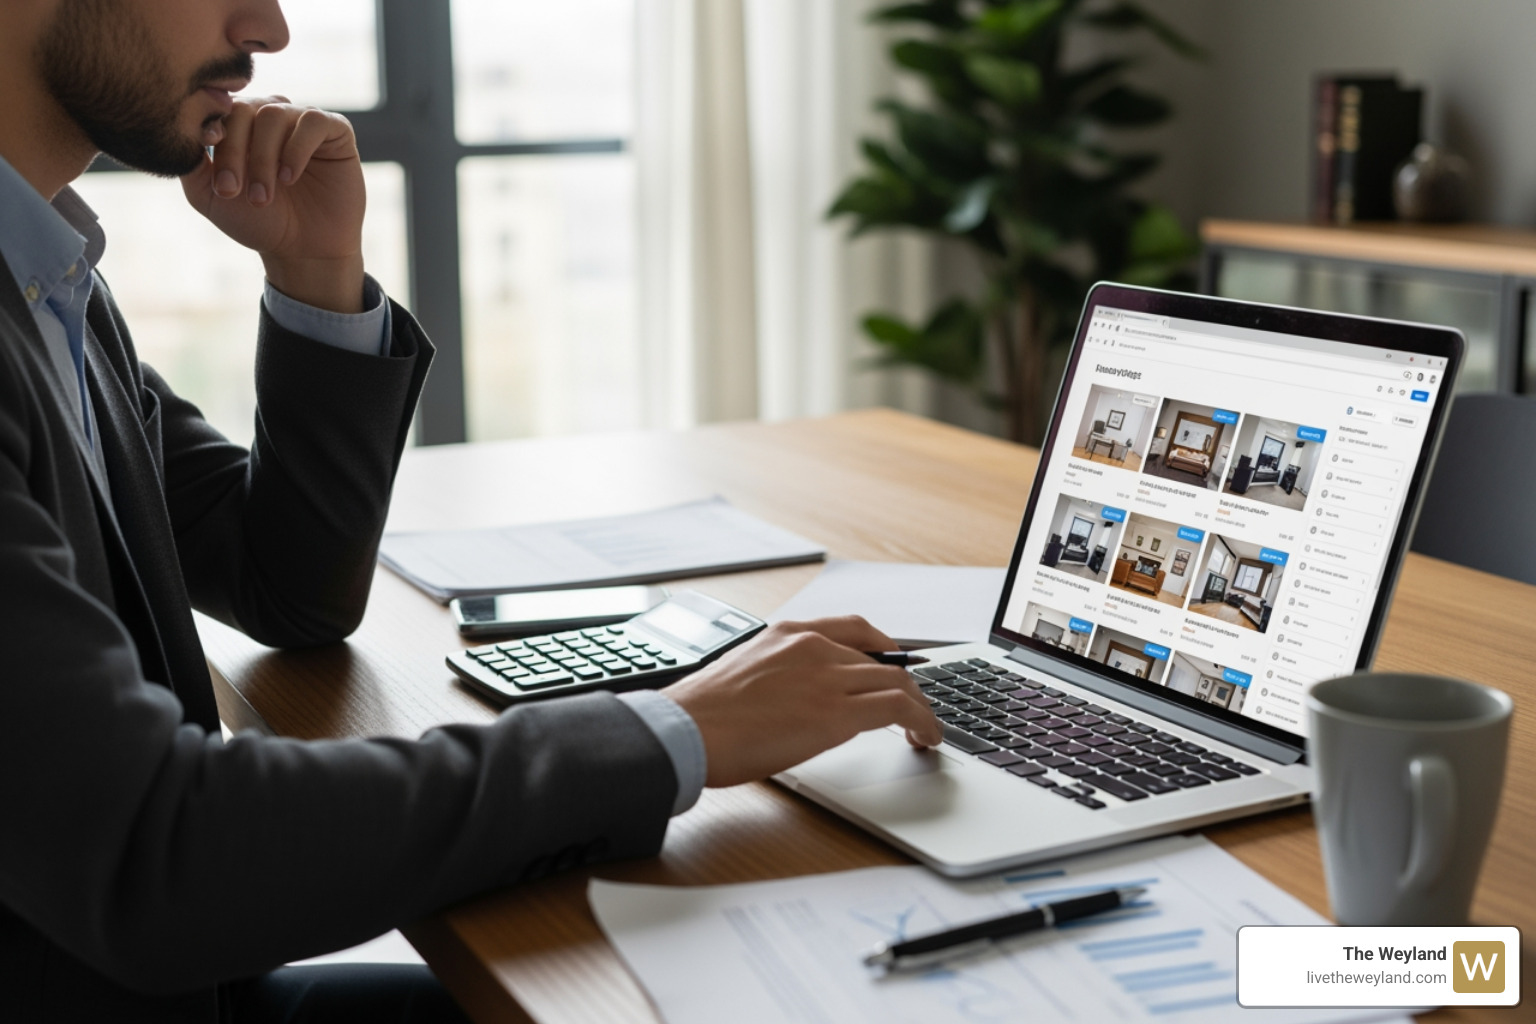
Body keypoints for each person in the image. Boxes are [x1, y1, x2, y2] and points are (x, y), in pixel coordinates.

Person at [0, 1, 943, 1021]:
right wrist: (674, 729)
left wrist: (315, 270)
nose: (268, 27)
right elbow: (156, 854)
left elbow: (285, 586)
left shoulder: (50, 276)